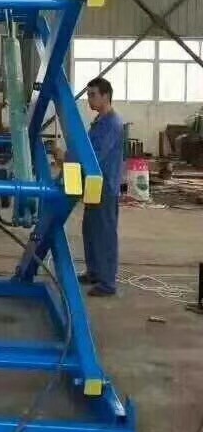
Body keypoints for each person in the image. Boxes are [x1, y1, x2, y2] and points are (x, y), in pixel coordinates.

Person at [55, 76, 124, 297]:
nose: (89, 99)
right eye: (88, 95)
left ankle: (107, 282)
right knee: (91, 229)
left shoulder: (112, 124)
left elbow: (95, 155)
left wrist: (66, 157)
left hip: (105, 186)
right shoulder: (100, 122)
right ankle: (94, 272)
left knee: (104, 233)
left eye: (93, 95)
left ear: (106, 96)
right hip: (94, 183)